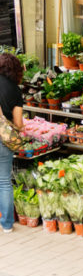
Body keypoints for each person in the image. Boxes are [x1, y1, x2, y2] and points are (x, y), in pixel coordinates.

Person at [0, 53, 24, 233]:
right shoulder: (15, 91)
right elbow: (18, 124)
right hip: (3, 140)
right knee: (4, 181)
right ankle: (7, 224)